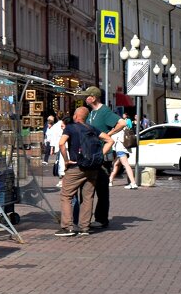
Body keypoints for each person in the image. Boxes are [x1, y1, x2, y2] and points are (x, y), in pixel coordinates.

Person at [56, 106, 111, 237]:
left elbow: (61, 143)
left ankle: (68, 227)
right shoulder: (91, 128)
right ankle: (84, 227)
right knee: (88, 197)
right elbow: (110, 140)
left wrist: (66, 160)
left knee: (66, 195)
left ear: (75, 116)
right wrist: (98, 156)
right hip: (92, 168)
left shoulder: (70, 127)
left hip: (77, 166)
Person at [83, 87, 125, 229]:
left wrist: (109, 133)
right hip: (90, 154)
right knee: (88, 188)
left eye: (87, 96)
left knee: (101, 189)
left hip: (102, 154)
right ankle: (85, 218)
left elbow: (122, 123)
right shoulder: (91, 113)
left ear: (93, 98)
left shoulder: (104, 111)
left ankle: (101, 219)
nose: (85, 98)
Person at [109, 115, 139, 189]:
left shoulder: (117, 130)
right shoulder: (126, 127)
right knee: (116, 164)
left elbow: (113, 140)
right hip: (126, 149)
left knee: (126, 165)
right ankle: (110, 181)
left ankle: (133, 183)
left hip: (120, 149)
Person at [44, 115, 65, 179]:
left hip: (59, 144)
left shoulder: (55, 126)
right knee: (60, 159)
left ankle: (61, 176)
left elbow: (53, 137)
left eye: (62, 126)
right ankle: (60, 176)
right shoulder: (55, 126)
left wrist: (52, 148)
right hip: (59, 144)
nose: (62, 127)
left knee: (60, 160)